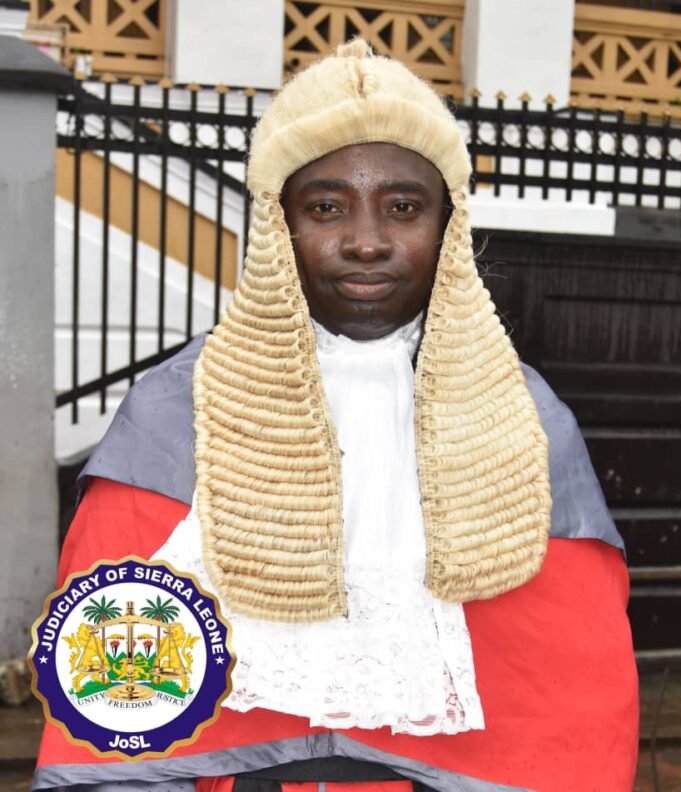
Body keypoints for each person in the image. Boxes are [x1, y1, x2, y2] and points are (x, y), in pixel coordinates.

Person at [33, 39, 638, 792]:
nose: (366, 242)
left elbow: (570, 691)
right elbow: (113, 683)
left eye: (403, 208)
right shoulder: (176, 408)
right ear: (277, 224)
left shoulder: (524, 417)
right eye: (326, 207)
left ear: (448, 227)